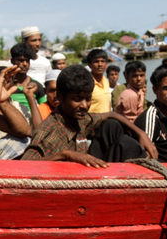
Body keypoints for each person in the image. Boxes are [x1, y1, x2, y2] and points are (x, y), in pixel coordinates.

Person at [21, 65, 157, 167]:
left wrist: (140, 133)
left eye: (88, 98)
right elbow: (25, 165)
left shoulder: (79, 118)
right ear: (61, 98)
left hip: (89, 169)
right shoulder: (48, 130)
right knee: (126, 144)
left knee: (112, 125)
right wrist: (65, 155)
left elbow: (112, 114)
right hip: (69, 184)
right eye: (77, 99)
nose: (85, 105)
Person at [9, 42, 47, 113]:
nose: (25, 64)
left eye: (27, 60)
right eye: (21, 60)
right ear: (12, 61)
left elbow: (44, 108)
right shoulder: (6, 85)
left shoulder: (36, 85)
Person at [86, 49, 111, 113]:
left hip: (107, 121)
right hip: (92, 121)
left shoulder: (105, 80)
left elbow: (108, 102)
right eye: (96, 61)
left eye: (103, 61)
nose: (100, 64)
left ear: (106, 64)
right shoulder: (86, 83)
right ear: (89, 65)